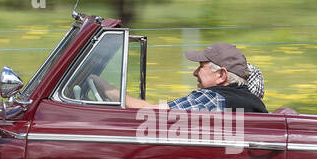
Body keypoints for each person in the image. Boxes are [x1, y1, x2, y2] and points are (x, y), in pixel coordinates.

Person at [93, 42, 268, 112]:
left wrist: (110, 91)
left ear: (221, 75)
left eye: (201, 67)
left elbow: (153, 113)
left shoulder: (211, 98)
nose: (195, 72)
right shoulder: (253, 102)